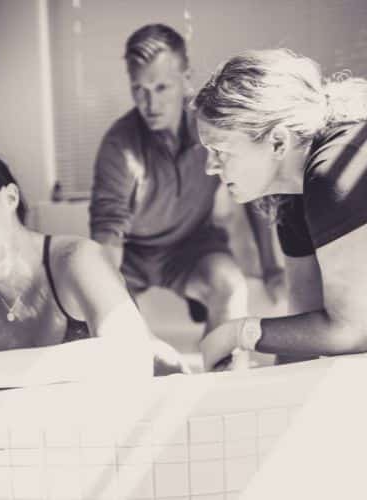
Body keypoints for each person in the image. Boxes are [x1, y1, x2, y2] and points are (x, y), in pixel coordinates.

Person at [193, 48, 367, 369]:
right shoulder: (291, 197)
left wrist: (235, 334)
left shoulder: (338, 174)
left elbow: (351, 333)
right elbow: (304, 325)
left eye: (220, 150)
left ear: (278, 142)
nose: (209, 167)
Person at [0, 128, 153, 435]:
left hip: (132, 427)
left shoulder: (77, 259)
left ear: (9, 198)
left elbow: (133, 356)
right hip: (51, 438)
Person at [90, 24, 280, 369]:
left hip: (193, 245)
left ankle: (221, 379)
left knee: (230, 286)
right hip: (132, 254)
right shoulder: (118, 147)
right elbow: (107, 243)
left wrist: (271, 267)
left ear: (186, 79)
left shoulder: (210, 126)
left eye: (161, 87)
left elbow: (253, 191)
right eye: (139, 89)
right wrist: (130, 327)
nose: (151, 104)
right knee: (112, 322)